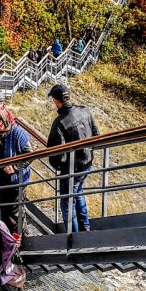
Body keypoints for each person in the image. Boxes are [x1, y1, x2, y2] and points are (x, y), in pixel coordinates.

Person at [46, 82, 100, 233]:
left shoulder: (60, 123)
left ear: (56, 101)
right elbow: (96, 135)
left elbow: (56, 153)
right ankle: (86, 227)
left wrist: (59, 167)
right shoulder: (85, 111)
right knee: (78, 191)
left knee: (67, 201)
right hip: (87, 162)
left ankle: (74, 236)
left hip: (71, 169)